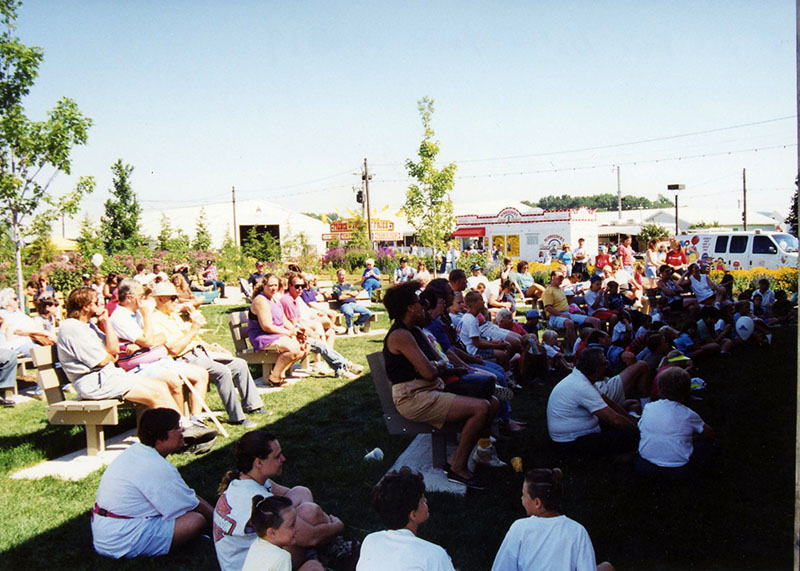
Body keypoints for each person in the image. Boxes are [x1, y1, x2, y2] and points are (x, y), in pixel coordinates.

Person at [383, 281, 499, 489]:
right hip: (413, 398)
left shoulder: (415, 331)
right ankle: (456, 466)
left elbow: (438, 362)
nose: (424, 307)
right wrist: (438, 365)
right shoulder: (401, 335)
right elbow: (429, 372)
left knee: (492, 402)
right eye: (419, 303)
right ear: (409, 307)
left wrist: (442, 366)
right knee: (481, 408)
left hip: (428, 390)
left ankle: (478, 453)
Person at [214, 430, 350, 571]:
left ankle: (319, 551)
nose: (283, 459)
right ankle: (330, 550)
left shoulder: (244, 480)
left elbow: (290, 495)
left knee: (301, 492)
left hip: (249, 557)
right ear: (259, 462)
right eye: (277, 456)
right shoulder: (256, 499)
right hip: (252, 566)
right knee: (310, 514)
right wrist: (338, 526)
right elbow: (312, 536)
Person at [91, 408, 214, 558]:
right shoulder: (156, 466)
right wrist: (222, 523)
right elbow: (193, 504)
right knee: (195, 520)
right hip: (121, 540)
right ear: (159, 438)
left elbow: (186, 497)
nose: (182, 432)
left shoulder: (136, 452)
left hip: (107, 531)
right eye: (176, 429)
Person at [149, 281, 265, 427]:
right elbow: (174, 349)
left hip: (198, 352)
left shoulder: (171, 315)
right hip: (183, 358)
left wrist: (212, 347)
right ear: (160, 299)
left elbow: (193, 338)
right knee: (222, 371)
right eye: (173, 298)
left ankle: (252, 405)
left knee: (239, 364)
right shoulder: (156, 320)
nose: (176, 301)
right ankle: (237, 417)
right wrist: (194, 328)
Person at [109, 279, 212, 427]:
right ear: (130, 298)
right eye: (141, 296)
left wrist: (141, 344)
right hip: (139, 366)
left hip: (157, 361)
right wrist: (146, 325)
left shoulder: (137, 312)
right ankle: (180, 425)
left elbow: (161, 336)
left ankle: (196, 420)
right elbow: (148, 341)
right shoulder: (120, 318)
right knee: (174, 381)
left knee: (201, 374)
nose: (144, 300)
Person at [56, 287, 178, 410]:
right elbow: (102, 361)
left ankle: (180, 424)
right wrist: (110, 357)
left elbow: (115, 350)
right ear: (86, 306)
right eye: (97, 302)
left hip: (109, 376)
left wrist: (106, 321)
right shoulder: (71, 328)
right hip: (94, 383)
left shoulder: (88, 326)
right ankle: (169, 428)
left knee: (160, 386)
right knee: (154, 395)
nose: (101, 304)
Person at [492, 468, 614, 571]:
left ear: (537, 503)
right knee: (607, 567)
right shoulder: (577, 531)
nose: (521, 498)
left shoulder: (519, 528)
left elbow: (502, 566)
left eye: (524, 495)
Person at [357, 467, 455, 571]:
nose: (426, 500)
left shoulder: (370, 540)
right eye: (422, 500)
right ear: (413, 515)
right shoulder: (434, 555)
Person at [546, 347, 639, 457]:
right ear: (597, 369)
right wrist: (638, 430)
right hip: (571, 443)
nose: (607, 366)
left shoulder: (581, 378)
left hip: (572, 436)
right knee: (629, 436)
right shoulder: (583, 387)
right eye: (605, 363)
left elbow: (609, 403)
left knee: (624, 420)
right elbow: (616, 420)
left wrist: (628, 418)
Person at [636, 367, 715, 479]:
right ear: (688, 391)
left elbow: (641, 427)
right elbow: (709, 433)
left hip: (644, 465)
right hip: (678, 470)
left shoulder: (649, 407)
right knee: (708, 446)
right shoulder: (688, 414)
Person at [279, 273, 363, 379]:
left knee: (326, 337)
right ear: (290, 286)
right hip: (291, 337)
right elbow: (295, 324)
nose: (300, 289)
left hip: (297, 333)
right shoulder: (288, 300)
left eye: (302, 286)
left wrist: (312, 333)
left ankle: (342, 368)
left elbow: (299, 321)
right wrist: (312, 334)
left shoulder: (294, 300)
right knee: (321, 345)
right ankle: (345, 366)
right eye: (297, 286)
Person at [248, 274, 310, 386]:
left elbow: (284, 320)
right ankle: (274, 378)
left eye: (276, 285)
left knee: (305, 346)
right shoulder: (261, 301)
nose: (274, 288)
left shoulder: (274, 299)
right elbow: (266, 326)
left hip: (276, 333)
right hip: (262, 336)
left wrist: (296, 330)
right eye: (271, 285)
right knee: (293, 348)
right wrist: (289, 333)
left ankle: (281, 372)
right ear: (264, 285)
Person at [242, 495, 324, 571]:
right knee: (314, 567)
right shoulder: (281, 557)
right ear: (272, 533)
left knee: (312, 565)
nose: (297, 529)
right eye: (292, 525)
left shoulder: (256, 544)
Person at [541, 270, 601, 352]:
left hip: (567, 313)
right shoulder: (548, 291)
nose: (562, 279)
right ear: (553, 277)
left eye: (563, 277)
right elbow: (548, 308)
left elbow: (566, 305)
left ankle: (596, 345)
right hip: (554, 316)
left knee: (595, 321)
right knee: (569, 323)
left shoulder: (560, 289)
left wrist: (577, 311)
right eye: (560, 277)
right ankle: (575, 350)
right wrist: (561, 315)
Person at [332, 269, 373, 335]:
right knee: (349, 313)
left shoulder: (349, 285)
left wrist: (347, 292)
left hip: (354, 304)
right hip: (344, 305)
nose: (343, 277)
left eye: (344, 275)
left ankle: (356, 324)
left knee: (368, 313)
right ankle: (350, 327)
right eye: (341, 275)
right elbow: (340, 297)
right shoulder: (336, 286)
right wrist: (351, 294)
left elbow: (356, 293)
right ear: (337, 276)